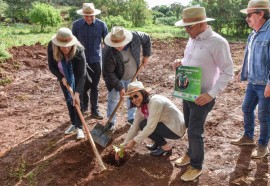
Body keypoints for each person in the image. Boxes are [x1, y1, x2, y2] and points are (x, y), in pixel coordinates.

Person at [172, 7, 234, 181]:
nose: (186, 30)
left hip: (203, 97)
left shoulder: (218, 42)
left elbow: (228, 71)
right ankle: (191, 153)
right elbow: (191, 61)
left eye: (189, 27)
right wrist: (180, 62)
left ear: (201, 24)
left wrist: (212, 94)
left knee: (195, 131)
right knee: (189, 126)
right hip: (188, 93)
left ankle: (196, 165)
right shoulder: (192, 39)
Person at [231, 0, 270, 159]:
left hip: (265, 84)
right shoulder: (253, 33)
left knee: (264, 116)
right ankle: (248, 137)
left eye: (249, 14)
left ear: (261, 14)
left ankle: (262, 145)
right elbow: (248, 56)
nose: (247, 18)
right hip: (253, 82)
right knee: (246, 108)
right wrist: (242, 71)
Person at [115, 81, 186, 159]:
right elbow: (134, 127)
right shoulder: (141, 108)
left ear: (143, 93)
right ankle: (158, 143)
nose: (134, 100)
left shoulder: (155, 102)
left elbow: (150, 127)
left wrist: (134, 141)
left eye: (136, 96)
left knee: (144, 125)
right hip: (167, 124)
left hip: (177, 129)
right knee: (143, 124)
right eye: (131, 98)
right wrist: (123, 146)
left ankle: (165, 147)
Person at [102, 26, 151, 129]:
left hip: (133, 75)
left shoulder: (135, 37)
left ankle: (131, 118)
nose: (118, 46)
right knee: (113, 99)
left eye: (120, 43)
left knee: (133, 98)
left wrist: (146, 55)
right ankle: (111, 121)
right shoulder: (107, 51)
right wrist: (119, 87)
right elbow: (109, 72)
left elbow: (147, 38)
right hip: (116, 78)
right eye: (116, 44)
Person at [48, 27, 89, 139]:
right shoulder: (52, 47)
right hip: (63, 78)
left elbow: (82, 74)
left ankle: (79, 127)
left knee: (77, 101)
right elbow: (51, 66)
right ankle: (73, 123)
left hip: (77, 77)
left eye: (68, 46)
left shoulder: (79, 50)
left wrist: (77, 93)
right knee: (68, 99)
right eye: (63, 47)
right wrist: (61, 77)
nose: (66, 49)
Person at [72, 3, 108, 119]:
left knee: (95, 86)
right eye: (86, 16)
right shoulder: (76, 25)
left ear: (95, 14)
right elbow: (72, 43)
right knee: (82, 85)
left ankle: (94, 110)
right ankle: (84, 107)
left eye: (91, 16)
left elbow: (107, 42)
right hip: (80, 61)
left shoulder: (102, 25)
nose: (89, 18)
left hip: (96, 60)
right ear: (83, 15)